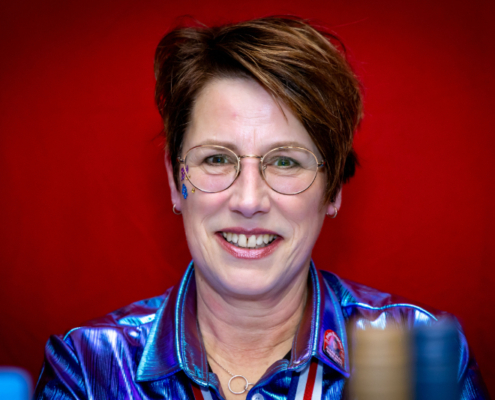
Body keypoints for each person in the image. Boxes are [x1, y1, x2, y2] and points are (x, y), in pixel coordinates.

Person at [34, 16, 489, 400]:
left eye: (285, 161)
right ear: (176, 182)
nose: (249, 201)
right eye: (217, 159)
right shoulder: (89, 368)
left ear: (333, 189)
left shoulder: (421, 357)